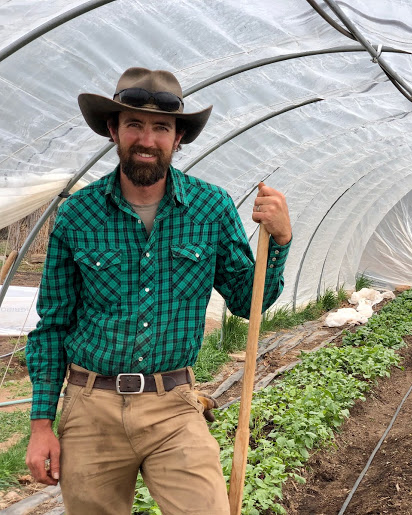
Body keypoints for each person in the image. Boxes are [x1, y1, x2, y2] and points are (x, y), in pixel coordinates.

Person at [24, 67, 292, 515]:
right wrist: (40, 425)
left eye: (161, 128)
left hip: (174, 405)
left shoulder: (210, 207)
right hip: (91, 409)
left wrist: (280, 240)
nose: (147, 139)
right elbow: (53, 325)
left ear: (178, 137)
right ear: (113, 131)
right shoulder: (78, 216)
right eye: (134, 125)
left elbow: (249, 303)